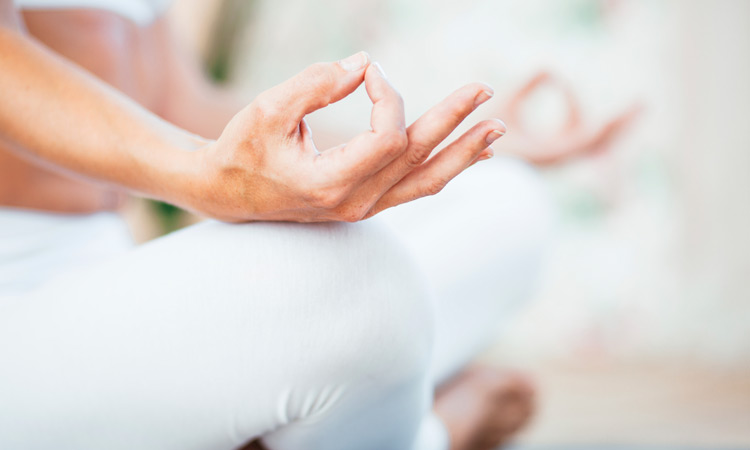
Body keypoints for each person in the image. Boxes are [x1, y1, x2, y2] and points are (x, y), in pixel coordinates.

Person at [0, 1, 633, 449]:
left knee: (505, 203)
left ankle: (302, 417)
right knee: (355, 282)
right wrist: (205, 176)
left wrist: (403, 152)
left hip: (96, 277)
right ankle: (429, 431)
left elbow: (179, 103)